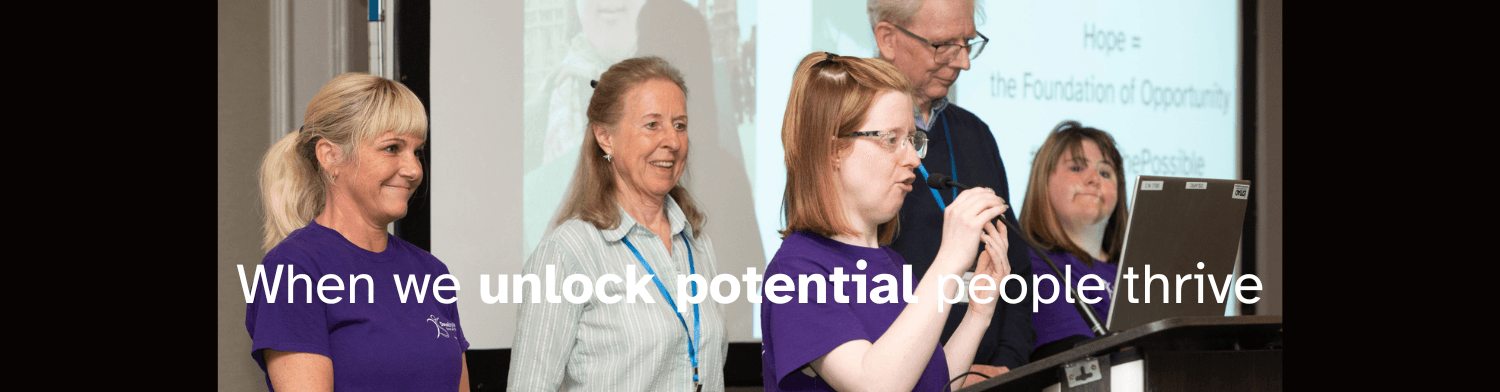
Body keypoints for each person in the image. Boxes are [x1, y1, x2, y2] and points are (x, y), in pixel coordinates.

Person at [760, 51, 1012, 392]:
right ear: (833, 149)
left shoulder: (891, 262)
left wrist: (977, 316)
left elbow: (928, 382)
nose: (913, 159)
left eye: (913, 139)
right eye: (891, 140)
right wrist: (949, 262)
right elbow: (876, 385)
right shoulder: (798, 271)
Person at [509, 56, 728, 392]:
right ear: (605, 137)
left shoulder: (696, 243)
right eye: (652, 124)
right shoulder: (567, 253)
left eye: (680, 125)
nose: (672, 140)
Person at [246, 72, 470, 391]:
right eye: (393, 148)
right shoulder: (294, 270)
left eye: (416, 151)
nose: (414, 169)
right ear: (330, 155)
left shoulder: (432, 273)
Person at [868, 0, 1036, 383]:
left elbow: (1017, 269)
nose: (964, 63)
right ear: (888, 39)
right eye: (943, 45)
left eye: (968, 43)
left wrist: (1006, 365)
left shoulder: (975, 133)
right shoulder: (853, 140)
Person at [1018, 121, 1128, 362]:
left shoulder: (1134, 270)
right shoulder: (1035, 265)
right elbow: (1078, 356)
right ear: (1043, 182)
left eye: (1105, 172)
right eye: (1077, 168)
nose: (1094, 180)